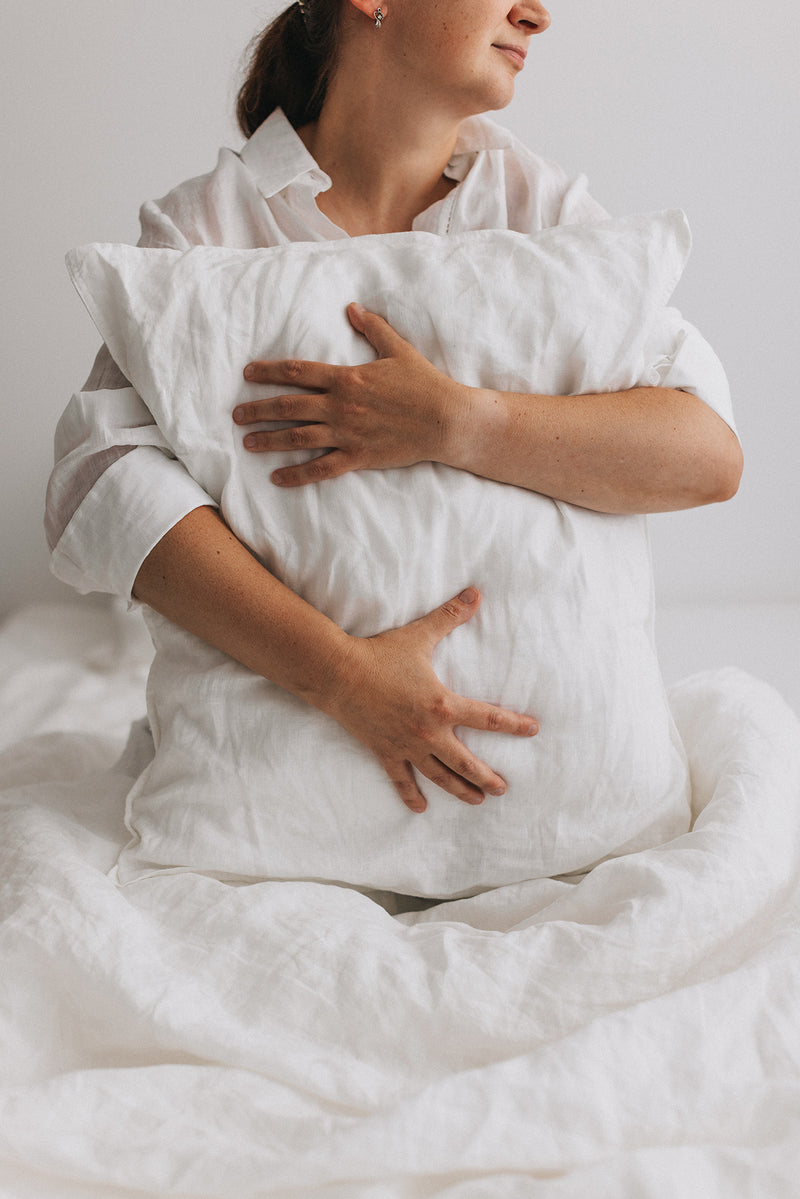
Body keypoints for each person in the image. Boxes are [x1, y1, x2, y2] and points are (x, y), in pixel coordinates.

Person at [47, 0, 742, 816]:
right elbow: (97, 484)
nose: (538, 14)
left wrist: (455, 422)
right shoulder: (207, 230)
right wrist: (347, 679)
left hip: (552, 797)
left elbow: (708, 453)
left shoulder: (548, 221)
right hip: (270, 795)